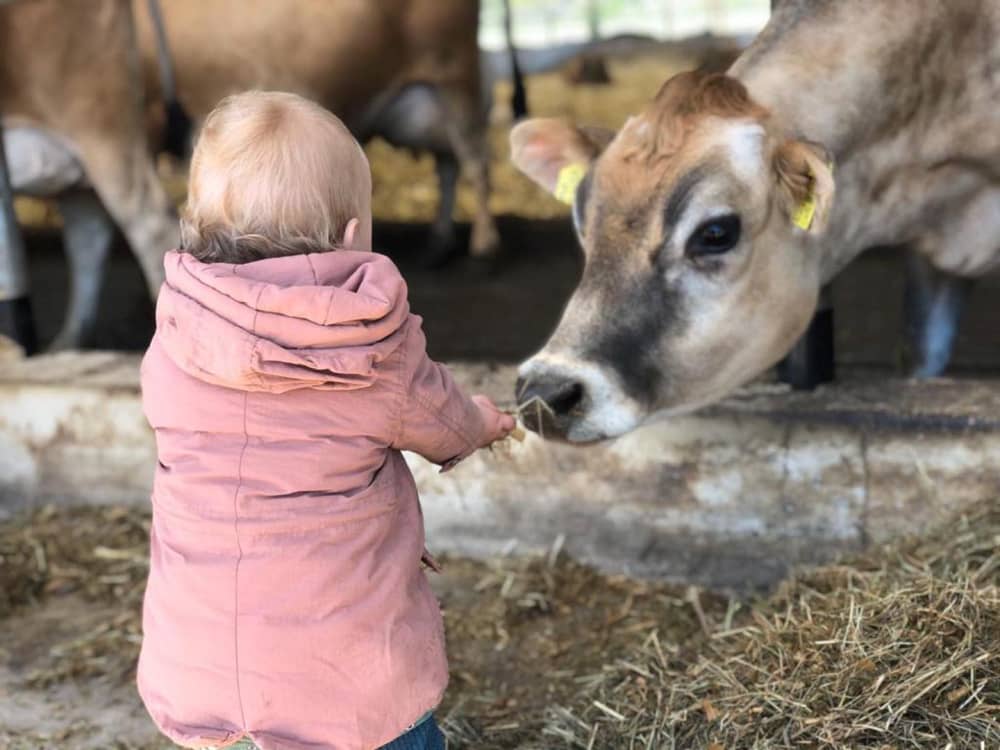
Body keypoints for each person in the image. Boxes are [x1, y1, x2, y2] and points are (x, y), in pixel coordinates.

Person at [137, 90, 515, 750]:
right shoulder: (368, 347)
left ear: (194, 223)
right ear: (350, 235)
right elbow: (442, 422)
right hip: (345, 685)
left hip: (196, 665)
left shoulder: (175, 336)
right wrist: (481, 423)